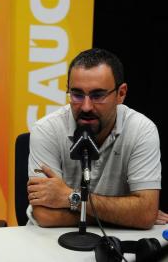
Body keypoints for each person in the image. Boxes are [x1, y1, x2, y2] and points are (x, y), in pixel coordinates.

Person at [26, 48, 167, 229]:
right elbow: (45, 215)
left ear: (121, 94)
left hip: (116, 242)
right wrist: (125, 215)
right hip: (48, 242)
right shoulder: (47, 129)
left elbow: (145, 213)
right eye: (77, 94)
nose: (85, 106)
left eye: (98, 95)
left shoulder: (141, 130)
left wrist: (69, 196)